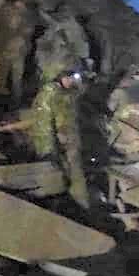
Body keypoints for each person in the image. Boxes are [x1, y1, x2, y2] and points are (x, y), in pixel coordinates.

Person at [29, 64, 90, 209]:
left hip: (66, 139)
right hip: (53, 142)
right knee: (57, 174)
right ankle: (63, 205)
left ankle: (76, 203)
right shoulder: (50, 93)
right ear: (60, 77)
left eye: (73, 78)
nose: (71, 81)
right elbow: (44, 123)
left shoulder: (66, 93)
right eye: (68, 77)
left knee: (72, 171)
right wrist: (51, 146)